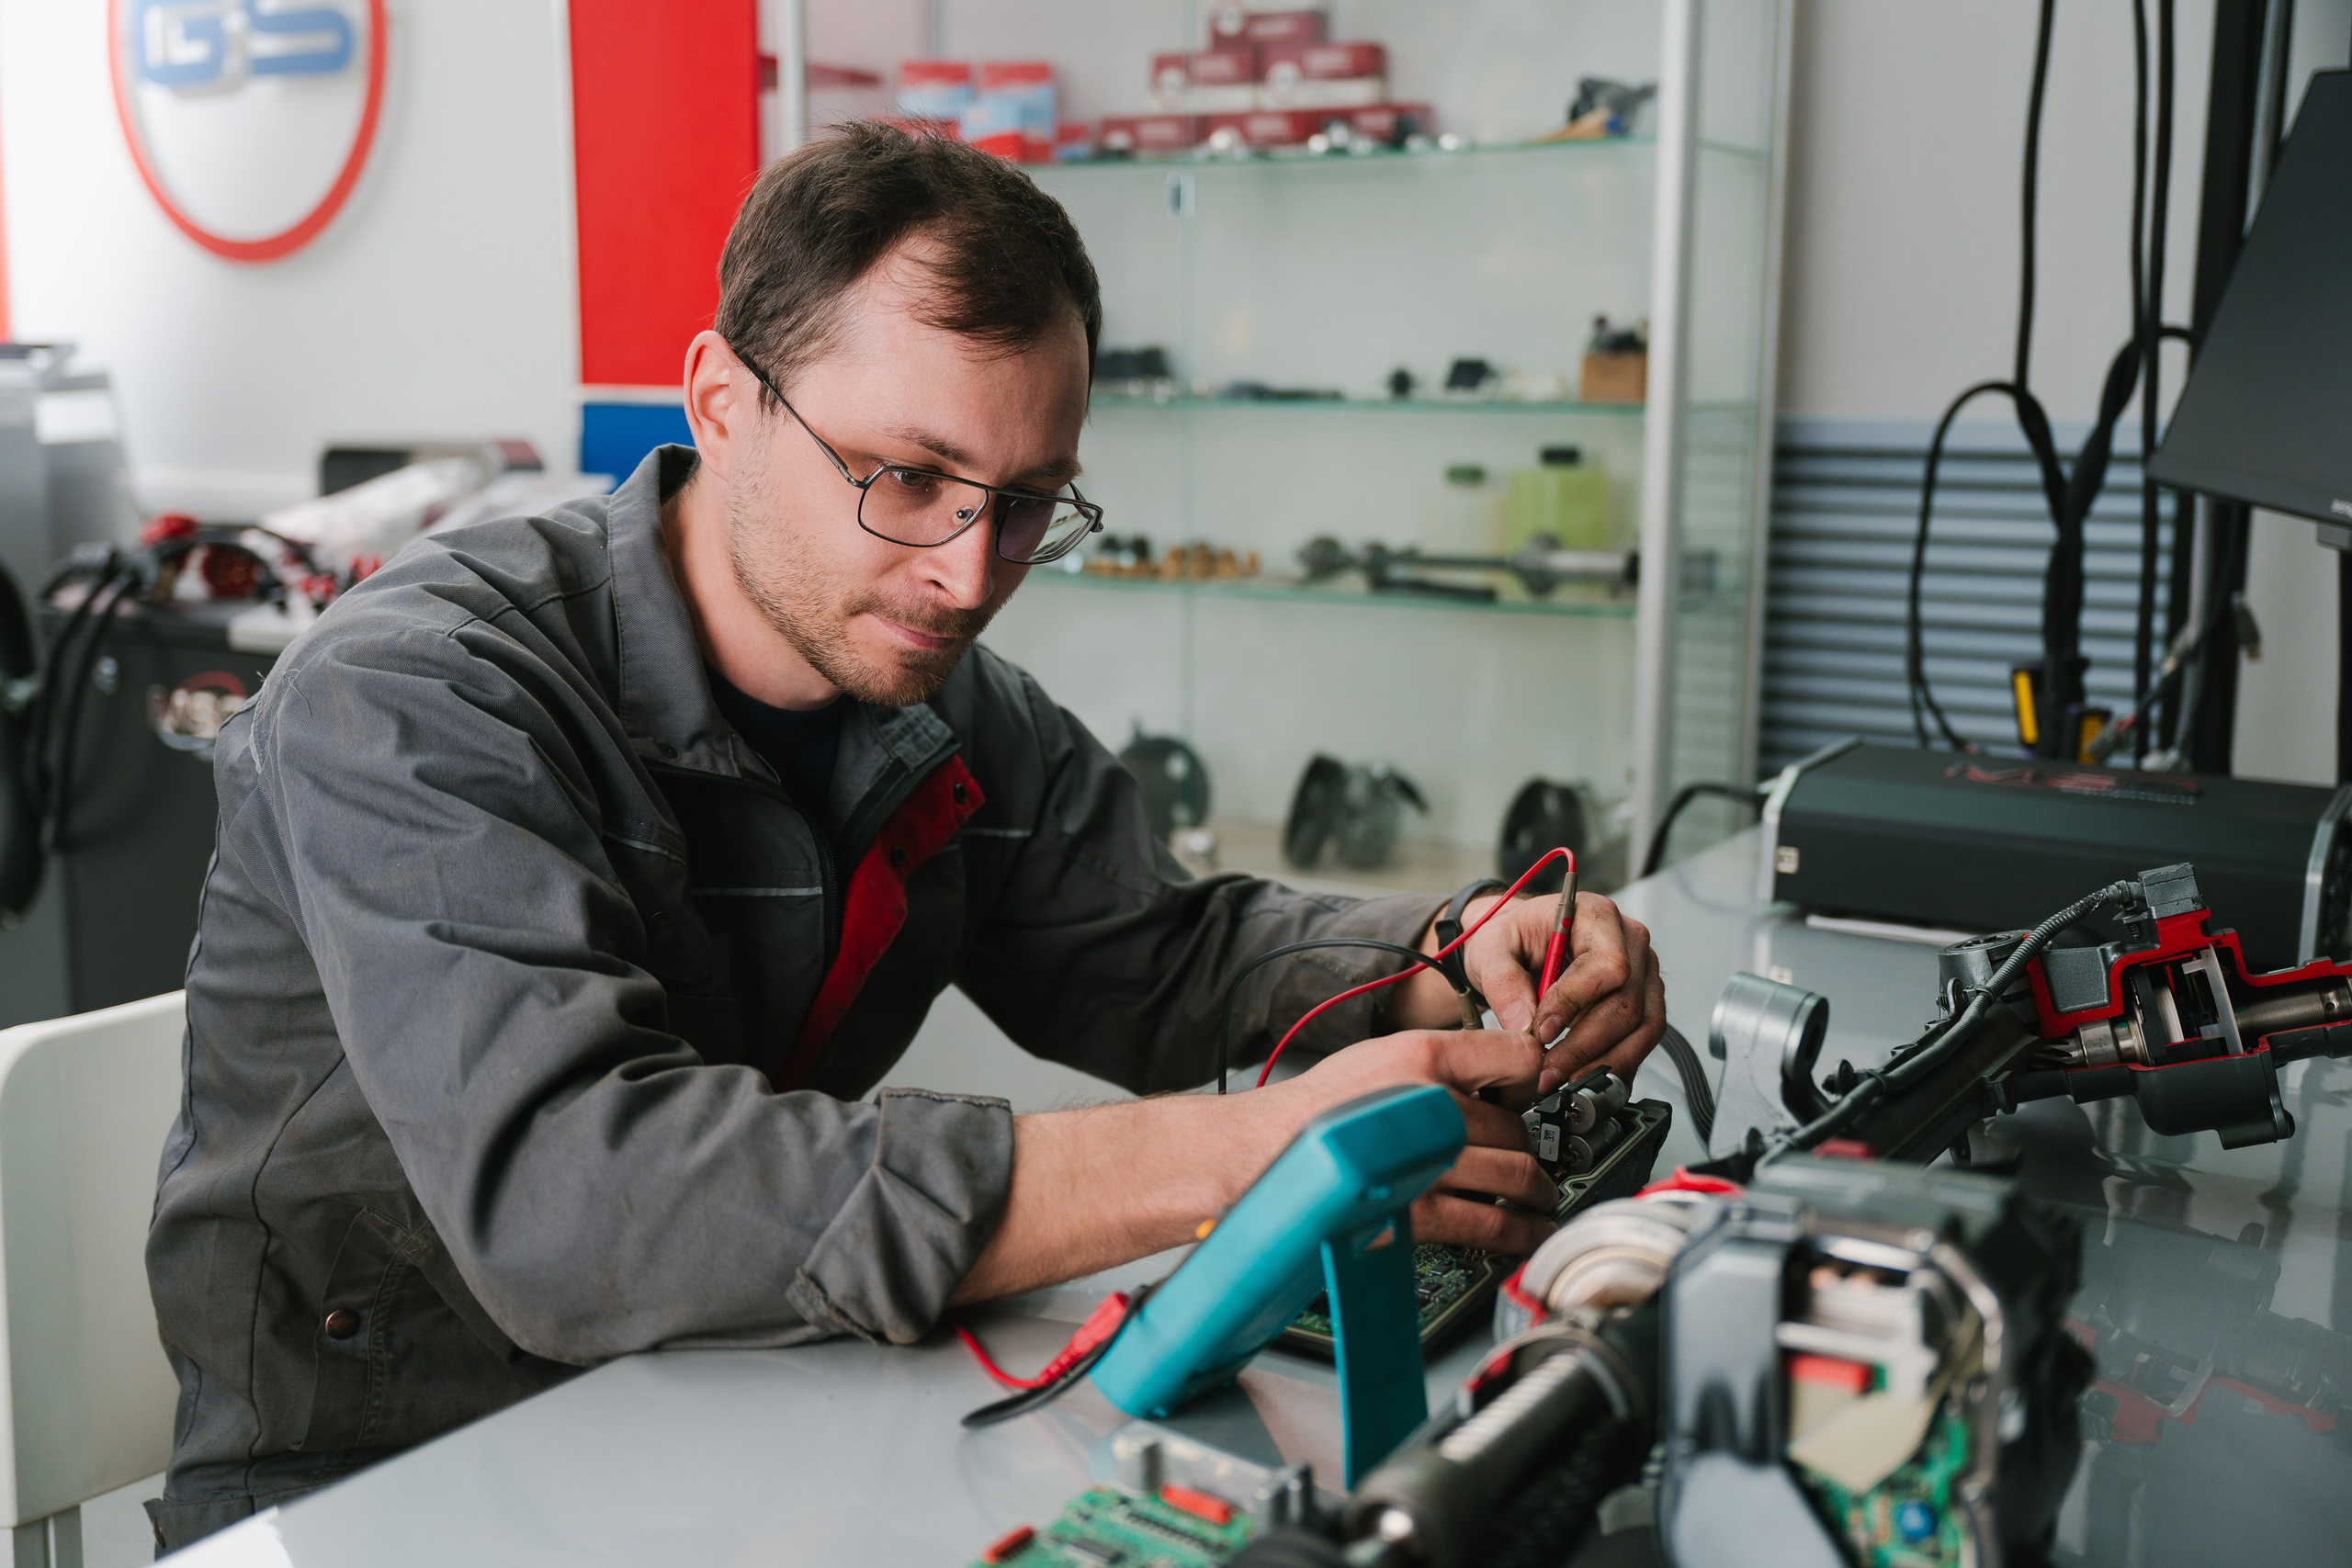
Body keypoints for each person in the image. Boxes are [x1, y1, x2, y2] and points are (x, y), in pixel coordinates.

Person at [143, 124, 1664, 1550]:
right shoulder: (416, 696)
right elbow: (582, 1198)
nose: (966, 571)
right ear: (723, 405)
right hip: (375, 1489)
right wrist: (1247, 1157)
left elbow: (1151, 948)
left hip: (735, 1406)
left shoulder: (937, 700)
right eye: (910, 478)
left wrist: (1447, 956)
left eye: (1028, 503)